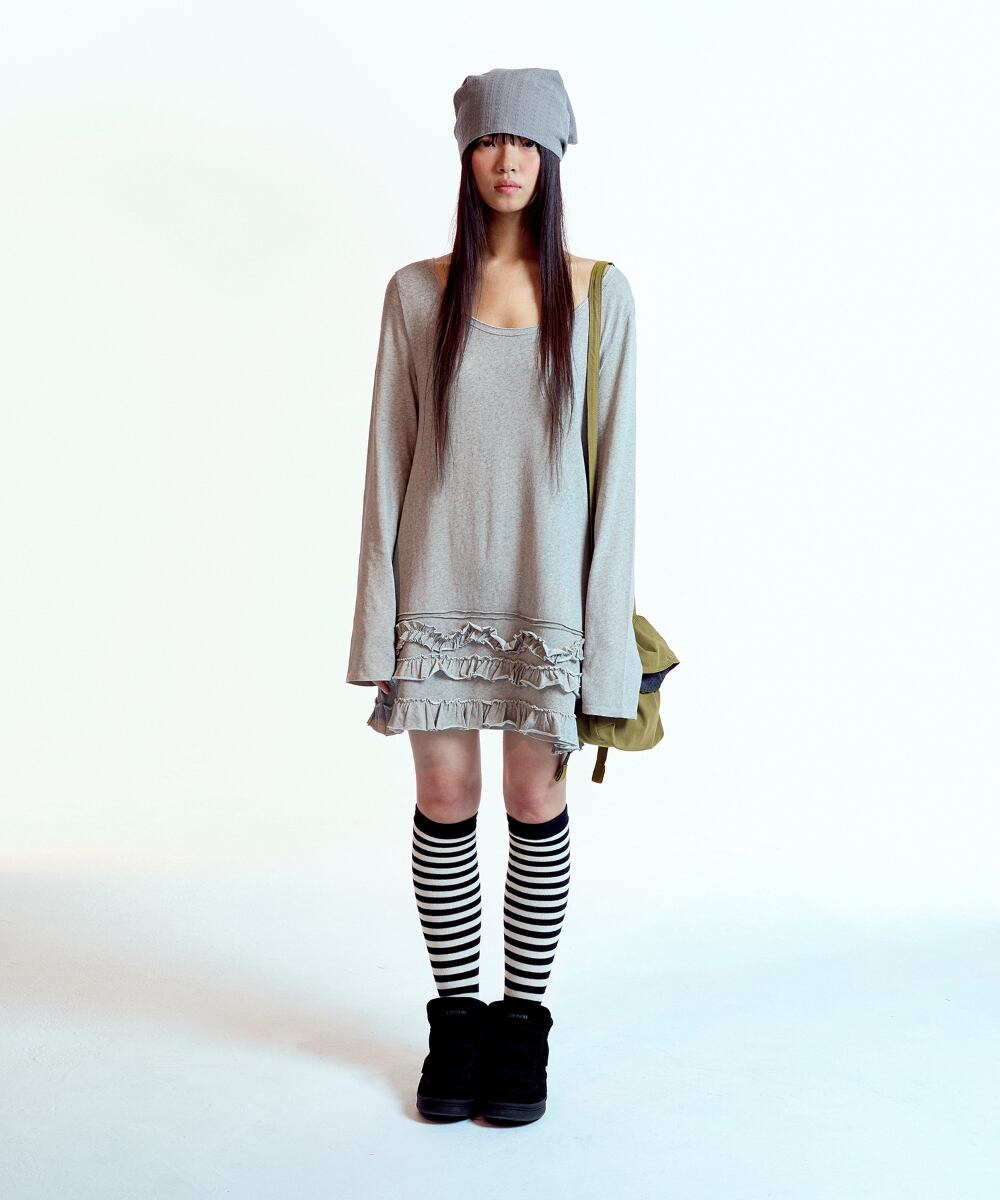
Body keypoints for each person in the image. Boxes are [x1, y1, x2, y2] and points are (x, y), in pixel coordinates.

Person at [346, 67, 642, 1125]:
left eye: (526, 142)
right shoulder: (416, 292)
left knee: (533, 800)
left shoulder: (598, 294)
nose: (507, 160)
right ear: (466, 155)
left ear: (553, 156)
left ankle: (522, 1025)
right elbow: (387, 463)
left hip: (546, 601)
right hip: (434, 592)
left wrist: (606, 647)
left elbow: (615, 483)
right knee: (444, 799)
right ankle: (456, 1020)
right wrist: (374, 624)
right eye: (488, 141)